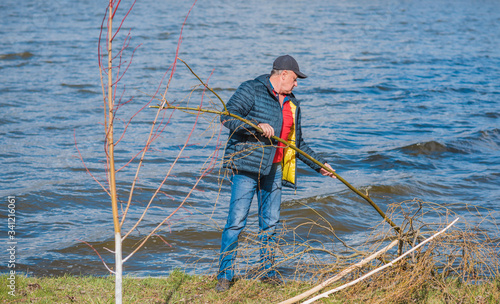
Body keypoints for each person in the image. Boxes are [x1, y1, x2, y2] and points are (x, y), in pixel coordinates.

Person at [215, 55, 336, 292]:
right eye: (294, 78)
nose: (296, 84)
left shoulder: (293, 104)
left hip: (275, 170)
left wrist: (319, 164)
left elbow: (297, 143)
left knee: (270, 225)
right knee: (236, 223)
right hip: (246, 167)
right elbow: (227, 116)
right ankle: (225, 276)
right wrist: (255, 126)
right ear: (282, 75)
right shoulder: (251, 89)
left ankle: (268, 272)